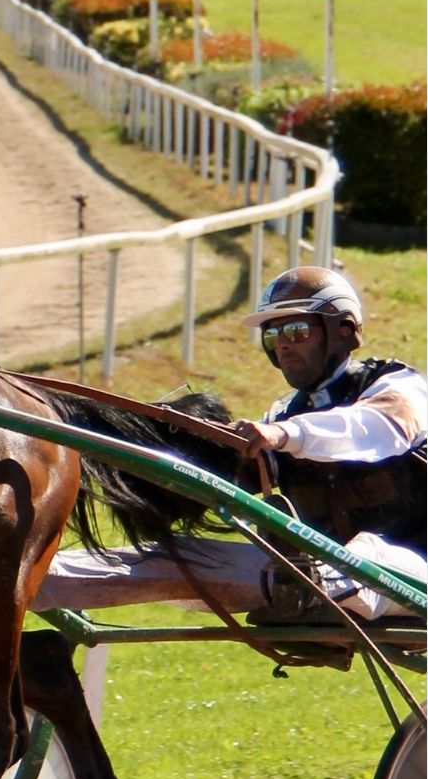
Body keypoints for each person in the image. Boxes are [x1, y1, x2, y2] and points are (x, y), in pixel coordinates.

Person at [32, 265, 427, 623]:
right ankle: (19, 579)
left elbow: (367, 429)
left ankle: (310, 591)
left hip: (408, 572)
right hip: (306, 576)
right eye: (272, 335)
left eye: (296, 331)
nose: (283, 345)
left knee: (365, 552)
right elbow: (245, 488)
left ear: (345, 330)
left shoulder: (400, 388)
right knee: (173, 556)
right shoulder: (281, 414)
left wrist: (282, 436)